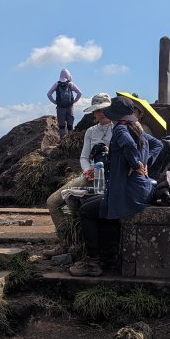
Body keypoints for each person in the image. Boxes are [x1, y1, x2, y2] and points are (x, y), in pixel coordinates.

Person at [70, 96, 162, 277]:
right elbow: (158, 144)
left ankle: (93, 263)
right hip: (140, 189)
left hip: (127, 192)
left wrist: (136, 164)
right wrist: (145, 162)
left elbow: (127, 145)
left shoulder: (120, 129)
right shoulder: (138, 128)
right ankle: (108, 257)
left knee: (85, 212)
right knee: (96, 205)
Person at [46, 93, 114, 240]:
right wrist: (88, 170)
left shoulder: (119, 129)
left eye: (104, 109)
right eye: (97, 110)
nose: (101, 113)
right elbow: (84, 156)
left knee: (73, 199)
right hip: (90, 175)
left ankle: (77, 239)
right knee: (53, 202)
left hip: (111, 178)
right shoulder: (90, 131)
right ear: (94, 113)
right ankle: (66, 239)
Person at [47, 68, 83, 139]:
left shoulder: (57, 84)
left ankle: (62, 140)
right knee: (70, 124)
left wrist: (54, 102)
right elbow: (80, 93)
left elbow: (48, 94)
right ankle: (71, 139)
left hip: (60, 107)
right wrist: (74, 101)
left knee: (61, 125)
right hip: (70, 107)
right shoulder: (70, 84)